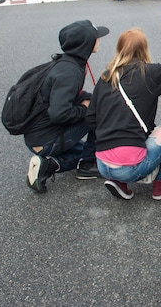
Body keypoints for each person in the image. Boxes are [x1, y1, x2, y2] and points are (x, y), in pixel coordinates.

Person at [86, 14, 161, 201]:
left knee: (135, 139)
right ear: (144, 48)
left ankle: (118, 181)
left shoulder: (106, 77)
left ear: (120, 48)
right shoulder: (148, 73)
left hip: (102, 164)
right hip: (130, 166)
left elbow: (91, 118)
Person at [25, 20, 108, 193]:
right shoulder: (70, 73)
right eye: (96, 38)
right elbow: (59, 114)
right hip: (45, 139)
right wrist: (86, 108)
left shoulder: (66, 63)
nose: (99, 40)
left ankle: (48, 163)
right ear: (86, 43)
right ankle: (87, 165)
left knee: (94, 154)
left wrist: (89, 99)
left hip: (39, 133)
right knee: (99, 110)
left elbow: (69, 97)